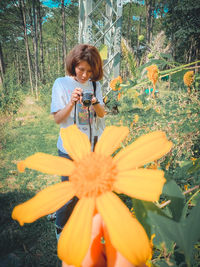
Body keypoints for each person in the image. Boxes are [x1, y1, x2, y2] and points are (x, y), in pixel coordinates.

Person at [50, 44, 105, 239]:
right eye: (81, 69)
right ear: (73, 64)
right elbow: (58, 118)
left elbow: (102, 114)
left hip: (91, 150)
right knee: (69, 193)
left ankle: (84, 228)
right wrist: (72, 102)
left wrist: (96, 102)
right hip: (69, 149)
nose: (84, 75)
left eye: (90, 71)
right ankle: (60, 227)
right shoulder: (61, 84)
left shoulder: (95, 85)